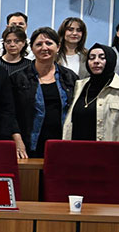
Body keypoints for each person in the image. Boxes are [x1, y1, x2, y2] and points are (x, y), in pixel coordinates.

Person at [64, 44, 119, 184]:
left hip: (111, 159)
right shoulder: (80, 85)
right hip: (79, 157)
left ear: (110, 60)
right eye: (91, 58)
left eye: (102, 57)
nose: (96, 61)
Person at [9, 27, 78, 158]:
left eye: (49, 43)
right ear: (32, 49)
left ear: (58, 47)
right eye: (39, 44)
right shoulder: (17, 79)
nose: (44, 48)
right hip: (28, 145)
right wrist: (17, 141)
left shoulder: (70, 78)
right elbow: (10, 113)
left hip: (63, 144)